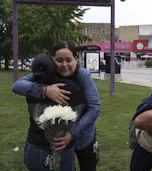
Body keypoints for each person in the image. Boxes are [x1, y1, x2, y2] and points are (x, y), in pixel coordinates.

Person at [12, 42, 101, 171]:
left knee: (88, 166)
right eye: (59, 60)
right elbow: (17, 86)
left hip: (83, 134)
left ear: (76, 59)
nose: (64, 65)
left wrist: (72, 134)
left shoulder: (83, 75)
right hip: (59, 138)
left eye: (68, 60)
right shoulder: (48, 71)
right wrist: (44, 90)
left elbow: (95, 108)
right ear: (52, 59)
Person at [23, 53, 85, 171]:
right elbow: (84, 112)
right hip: (63, 145)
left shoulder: (31, 89)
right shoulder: (70, 87)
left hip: (35, 145)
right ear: (54, 67)